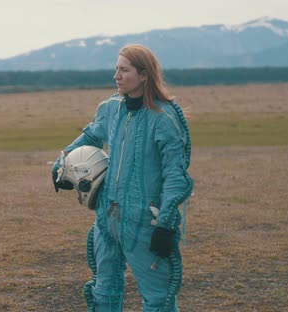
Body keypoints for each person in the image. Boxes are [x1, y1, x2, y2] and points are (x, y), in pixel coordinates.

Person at [51, 44, 193, 312]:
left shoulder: (163, 118)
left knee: (158, 299)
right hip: (107, 219)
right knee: (103, 291)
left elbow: (175, 175)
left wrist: (164, 225)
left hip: (144, 223)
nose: (116, 75)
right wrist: (62, 164)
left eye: (124, 70)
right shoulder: (111, 109)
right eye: (116, 69)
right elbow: (92, 136)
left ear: (143, 75)